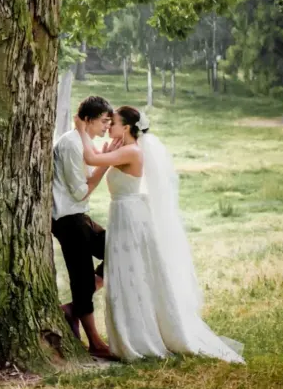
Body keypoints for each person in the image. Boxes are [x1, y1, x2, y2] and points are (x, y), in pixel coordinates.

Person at [73, 107, 244, 363]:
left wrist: (80, 129)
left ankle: (139, 337)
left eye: (115, 123)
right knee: (123, 273)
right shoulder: (125, 148)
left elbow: (91, 159)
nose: (109, 127)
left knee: (129, 273)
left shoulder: (131, 151)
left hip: (129, 216)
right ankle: (129, 334)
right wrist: (105, 149)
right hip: (123, 213)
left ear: (128, 127)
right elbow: (98, 161)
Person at [52, 96, 115, 360]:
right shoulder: (69, 145)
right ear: (88, 120)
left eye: (110, 122)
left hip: (79, 218)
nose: (106, 127)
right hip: (68, 219)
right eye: (103, 121)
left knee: (117, 249)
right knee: (81, 276)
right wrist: (104, 166)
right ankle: (96, 344)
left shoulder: (83, 141)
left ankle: (72, 309)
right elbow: (79, 193)